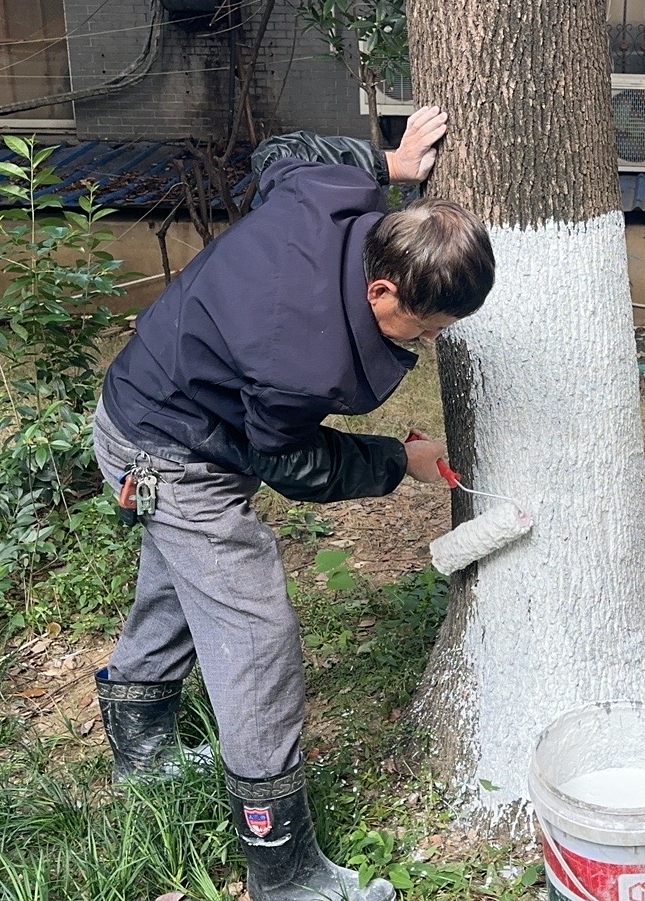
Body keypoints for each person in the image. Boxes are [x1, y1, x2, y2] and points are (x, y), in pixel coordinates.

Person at [90, 107, 492, 901]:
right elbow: (293, 464)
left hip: (155, 411)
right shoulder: (297, 355)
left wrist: (388, 165)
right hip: (170, 454)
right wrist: (396, 461)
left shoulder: (326, 195)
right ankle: (284, 869)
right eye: (423, 326)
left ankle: (143, 754)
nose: (427, 341)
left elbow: (285, 151)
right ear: (382, 285)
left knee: (181, 581)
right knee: (255, 640)